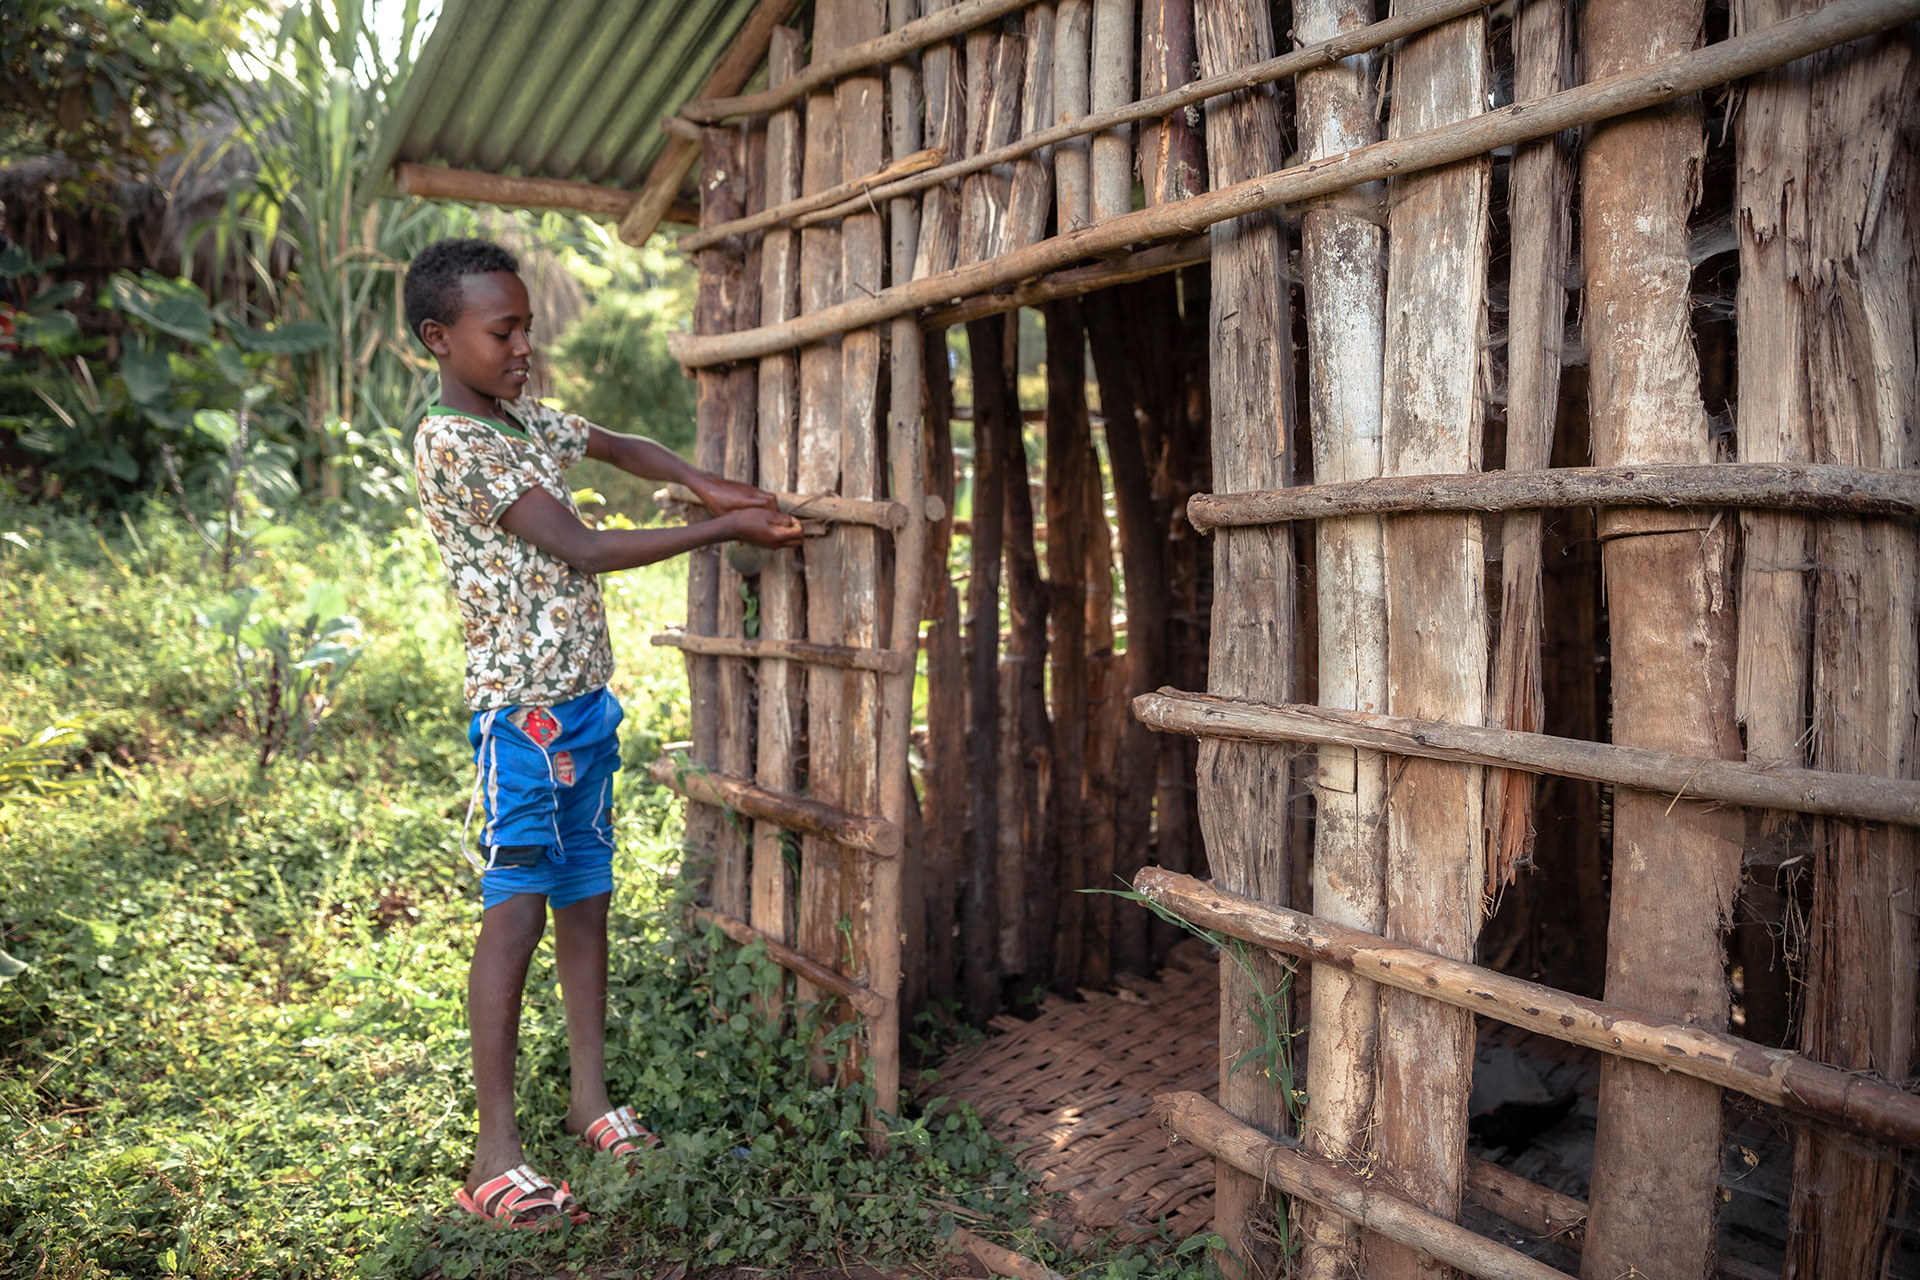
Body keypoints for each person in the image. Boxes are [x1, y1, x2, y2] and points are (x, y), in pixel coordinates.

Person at [405, 237, 802, 1229]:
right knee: (517, 912)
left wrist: (708, 483)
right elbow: (579, 547)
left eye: (528, 326)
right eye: (504, 331)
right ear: (439, 339)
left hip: (585, 707)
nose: (524, 345)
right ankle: (496, 1151)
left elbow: (623, 447)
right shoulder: (454, 442)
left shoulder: (524, 421)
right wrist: (721, 528)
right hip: (521, 720)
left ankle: (591, 1102)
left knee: (586, 900)